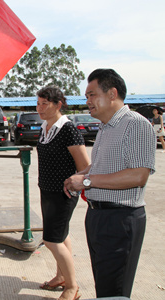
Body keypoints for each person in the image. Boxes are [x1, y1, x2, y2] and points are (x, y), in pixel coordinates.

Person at [64, 69, 156, 298]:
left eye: (92, 94)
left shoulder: (135, 124)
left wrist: (86, 180)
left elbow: (138, 176)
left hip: (120, 219)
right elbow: (102, 166)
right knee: (104, 286)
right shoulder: (106, 126)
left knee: (114, 292)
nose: (87, 101)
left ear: (112, 93)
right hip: (99, 217)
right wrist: (82, 174)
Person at [36, 87, 89, 300]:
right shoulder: (45, 126)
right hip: (47, 190)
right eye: (37, 104)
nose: (39, 108)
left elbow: (85, 166)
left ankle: (72, 287)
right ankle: (61, 277)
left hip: (63, 194)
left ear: (58, 105)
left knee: (51, 240)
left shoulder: (68, 129)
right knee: (62, 236)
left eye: (44, 104)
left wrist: (75, 183)